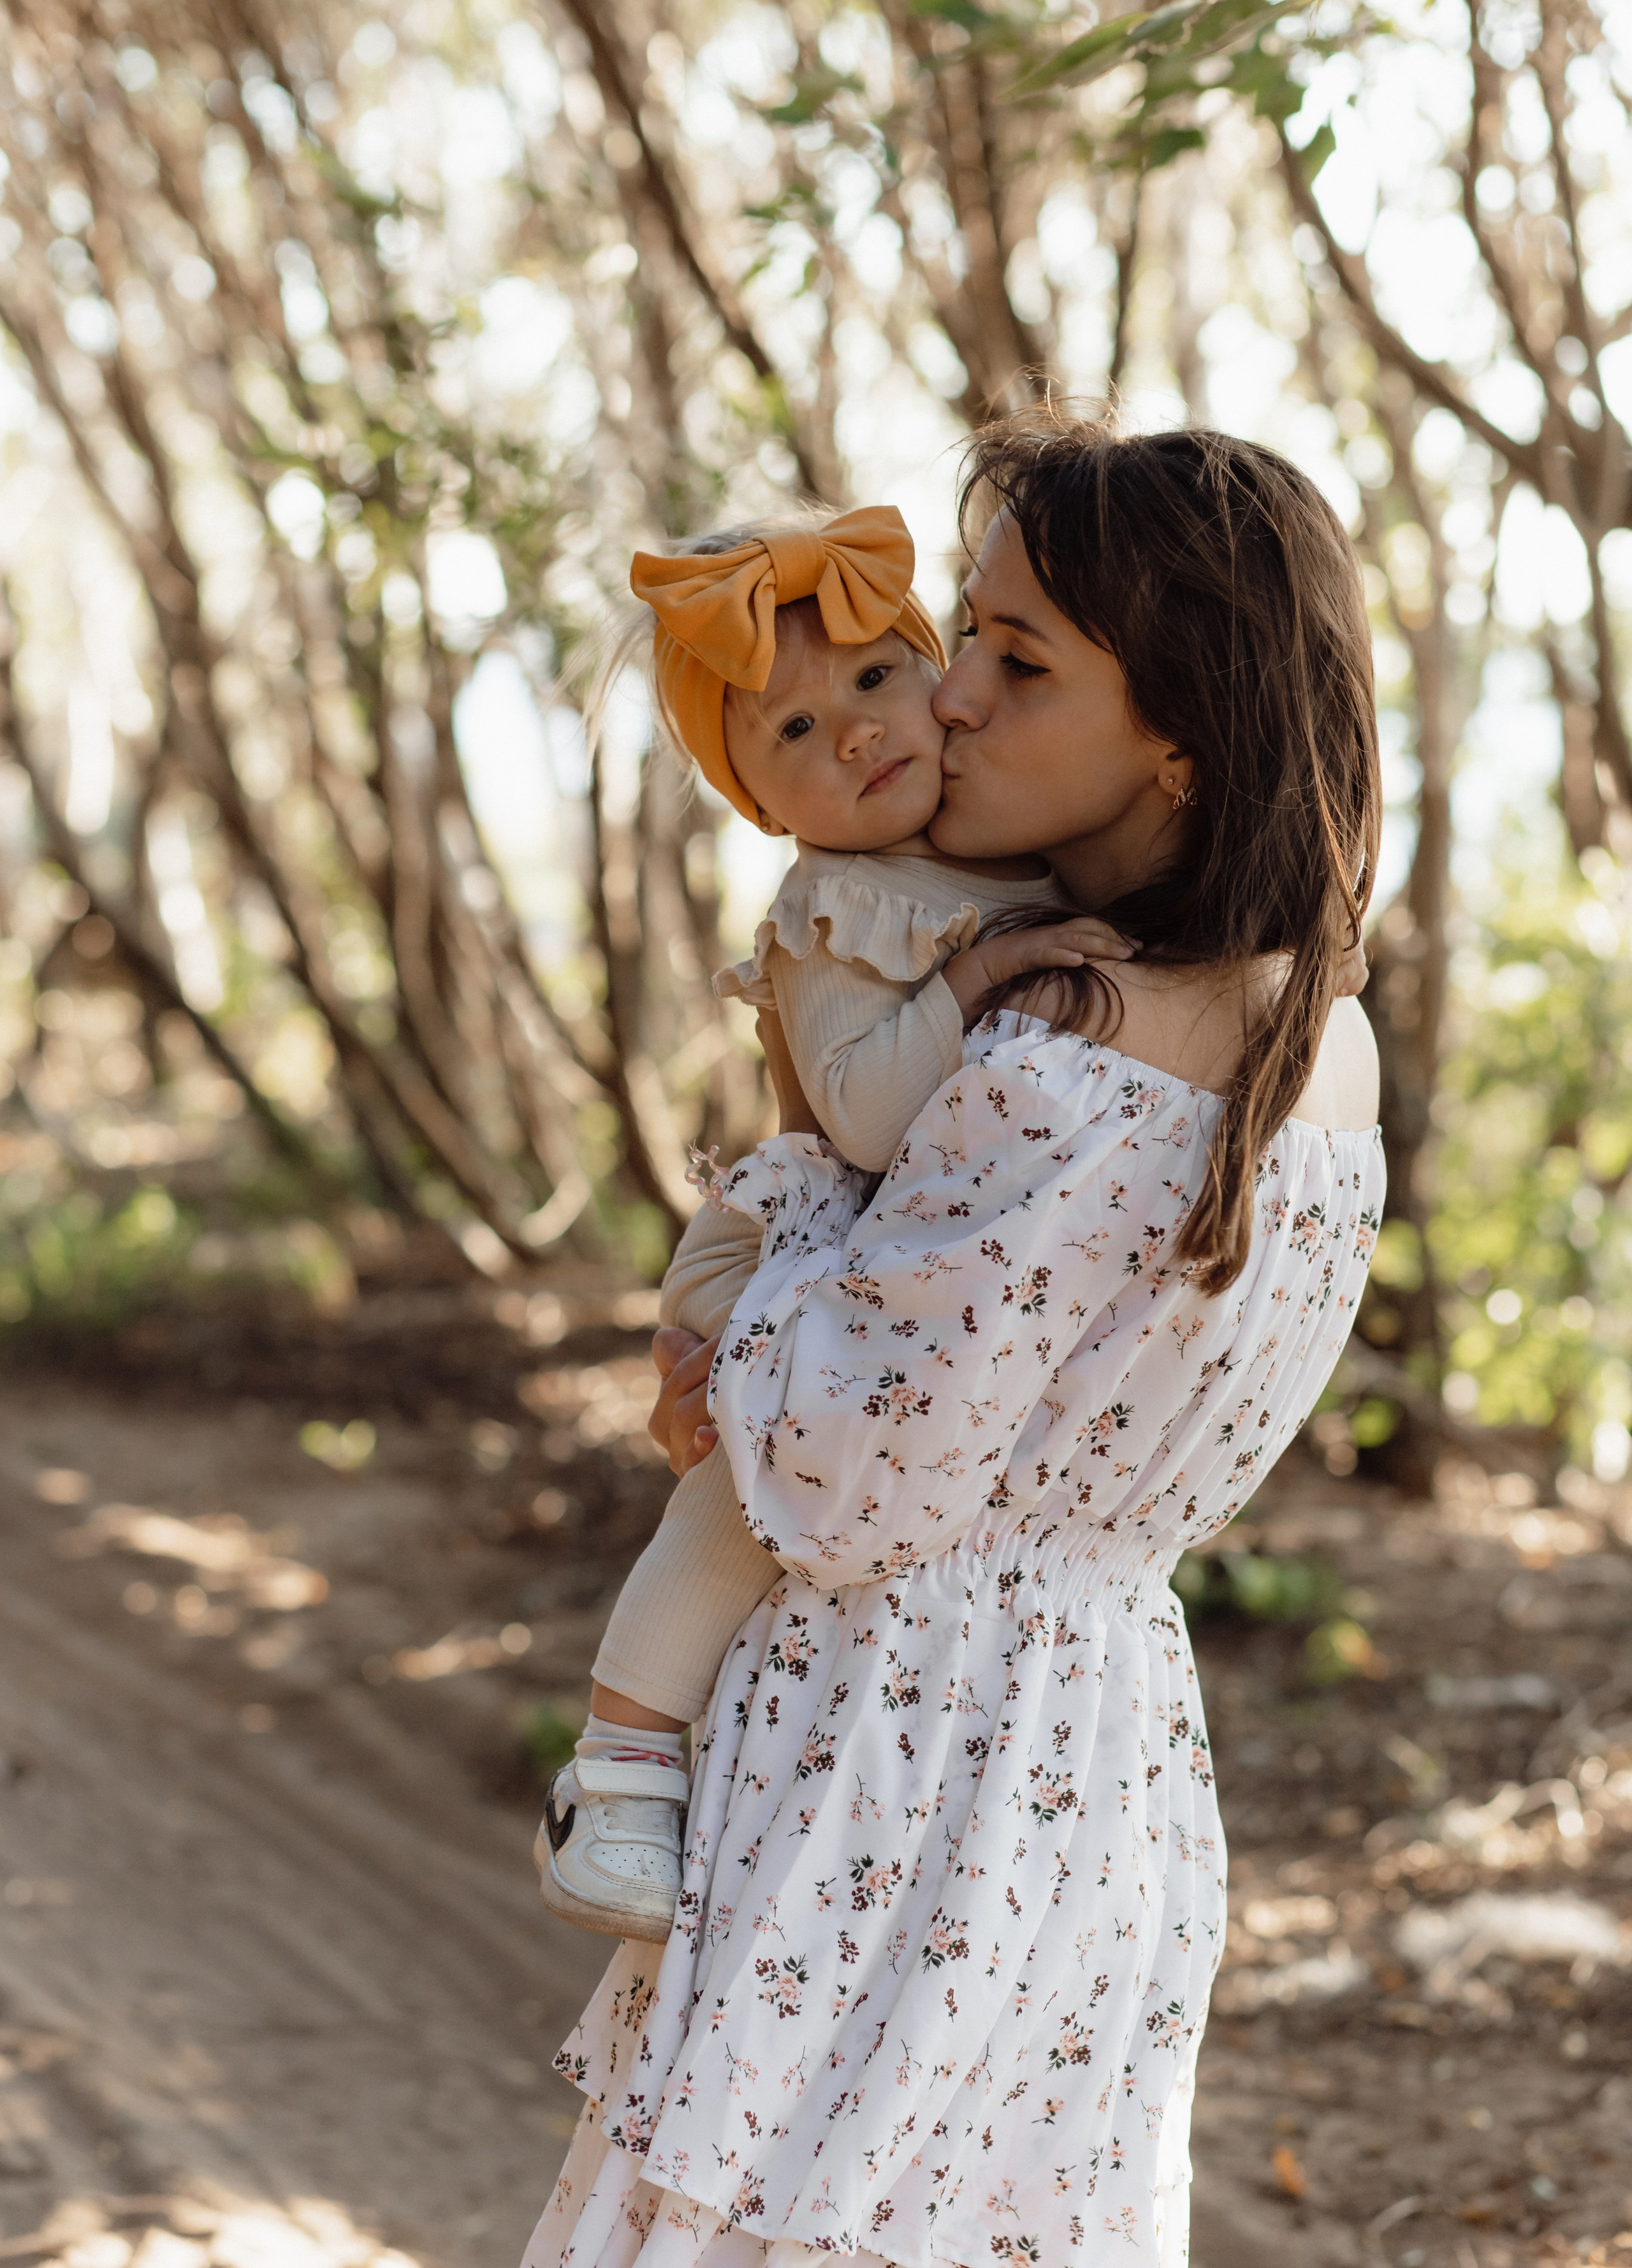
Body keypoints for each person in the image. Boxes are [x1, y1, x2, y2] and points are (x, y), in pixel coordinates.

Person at [523, 414, 1384, 2268]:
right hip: (1106, 1761)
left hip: (895, 1759)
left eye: (1015, 659)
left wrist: (747, 1314)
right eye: (965, 638)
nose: (953, 700)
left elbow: (845, 1477)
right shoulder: (1324, 1036)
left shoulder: (1067, 1047)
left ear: (1179, 731)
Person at [541, 504, 1130, 1943]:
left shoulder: (1013, 847)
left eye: (875, 679)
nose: (857, 732)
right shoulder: (838, 904)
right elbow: (864, 1118)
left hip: (890, 1261)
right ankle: (617, 1764)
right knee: (749, 1488)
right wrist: (979, 977)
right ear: (753, 799)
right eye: (794, 730)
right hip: (789, 1247)